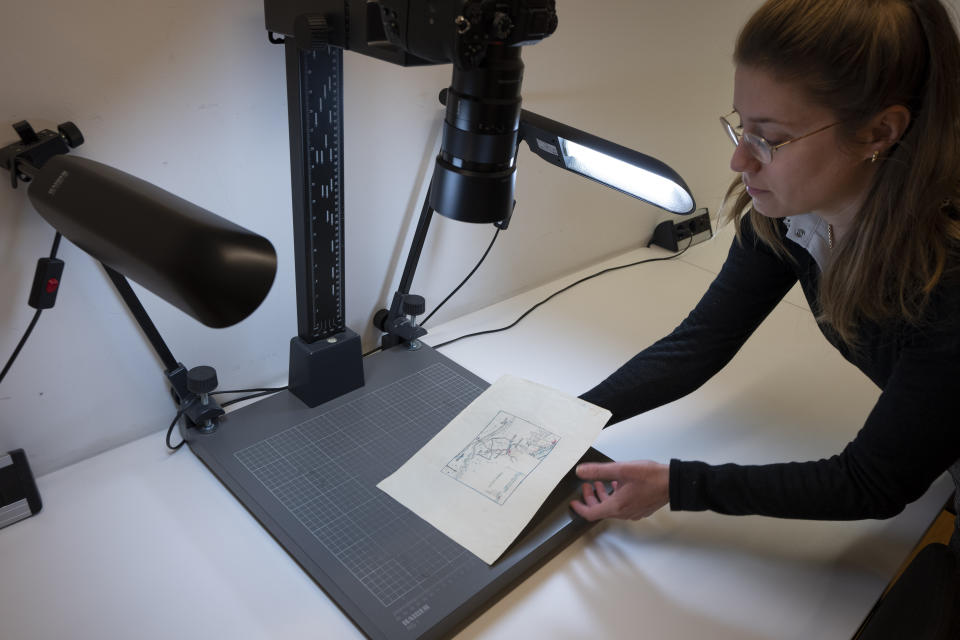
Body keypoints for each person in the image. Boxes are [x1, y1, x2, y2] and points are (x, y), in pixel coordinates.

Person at [570, 0, 960, 534]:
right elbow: (699, 344)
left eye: (771, 139)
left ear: (878, 132)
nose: (741, 161)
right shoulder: (790, 214)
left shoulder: (948, 276)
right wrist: (564, 422)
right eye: (741, 127)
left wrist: (677, 484)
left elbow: (873, 482)